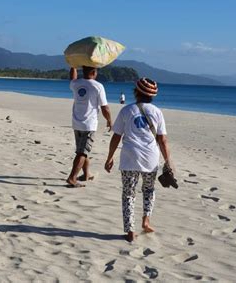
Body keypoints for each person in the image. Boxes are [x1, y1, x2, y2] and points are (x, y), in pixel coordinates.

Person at [104, 77, 173, 242]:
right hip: (150, 158)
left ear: (136, 92)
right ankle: (146, 221)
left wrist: (110, 156)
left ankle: (130, 231)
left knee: (128, 194)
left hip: (129, 158)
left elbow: (116, 137)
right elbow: (162, 140)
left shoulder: (126, 111)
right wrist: (168, 161)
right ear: (152, 95)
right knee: (149, 190)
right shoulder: (157, 112)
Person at [66, 66, 112, 187]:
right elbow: (105, 107)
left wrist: (73, 66)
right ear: (94, 72)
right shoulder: (98, 86)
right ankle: (72, 178)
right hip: (89, 124)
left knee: (82, 150)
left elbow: (72, 78)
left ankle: (86, 174)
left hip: (76, 123)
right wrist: (109, 120)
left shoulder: (76, 84)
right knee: (82, 152)